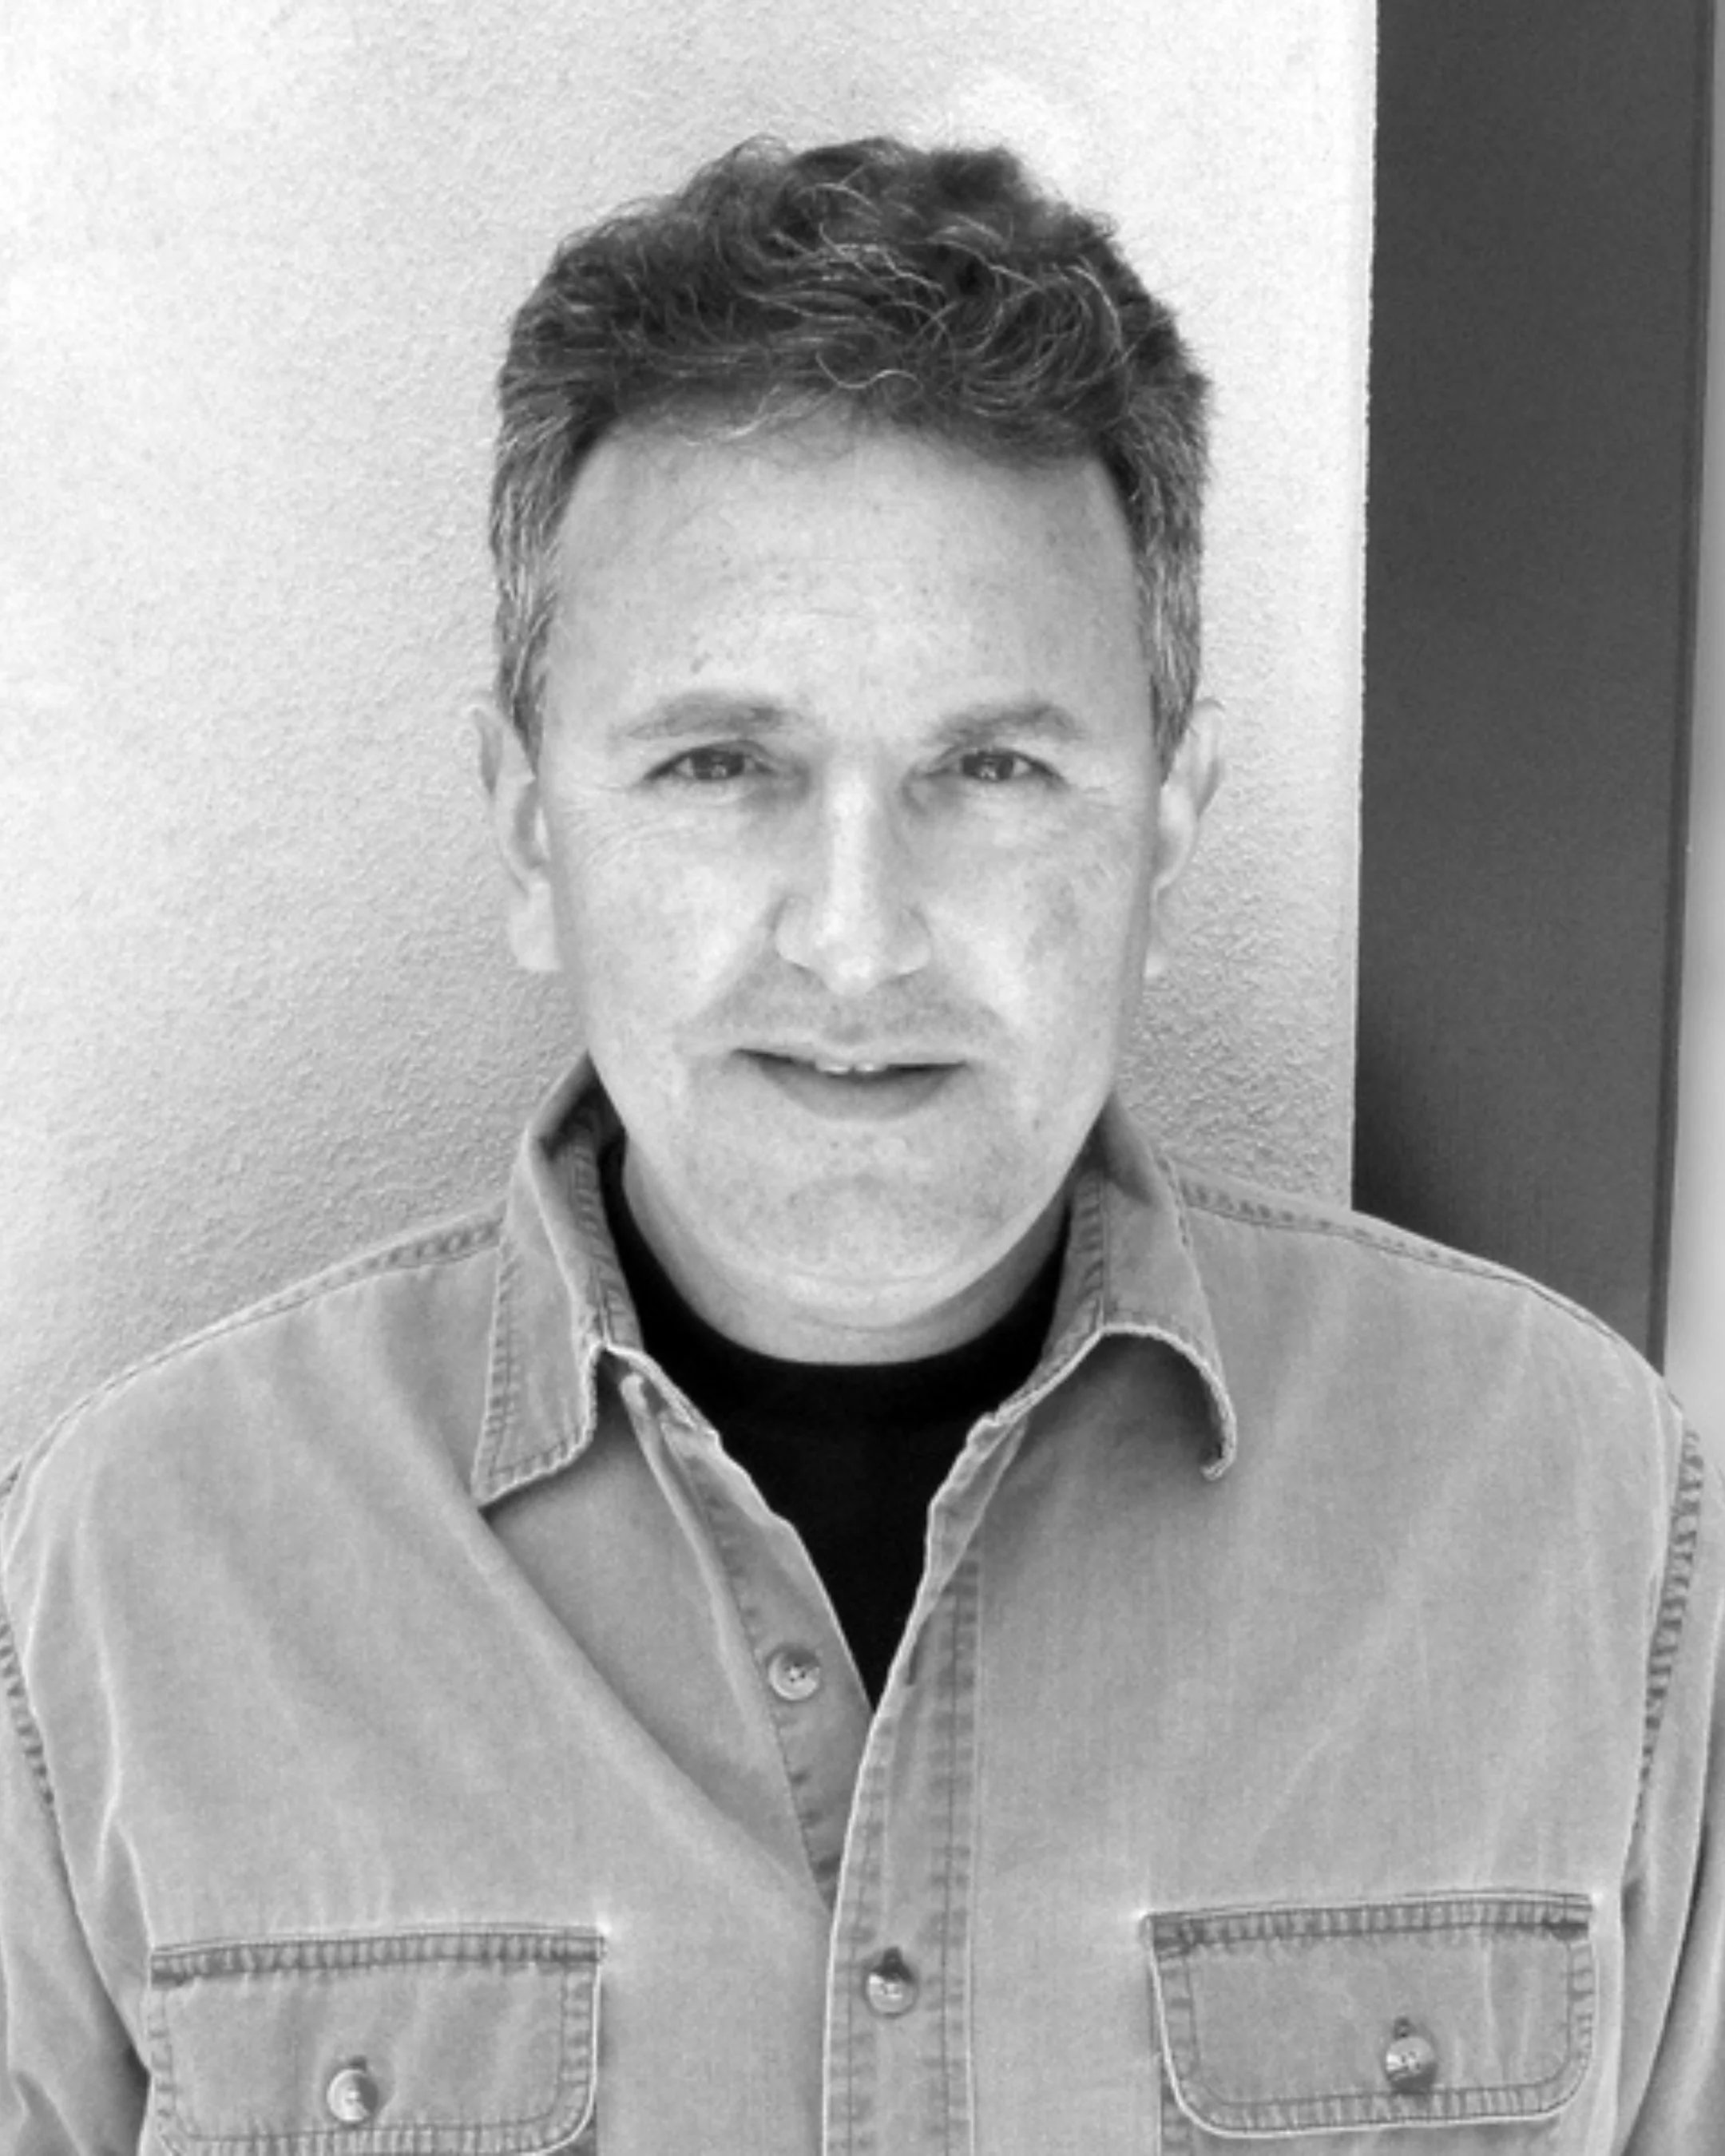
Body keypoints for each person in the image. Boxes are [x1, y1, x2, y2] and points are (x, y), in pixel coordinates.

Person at [1, 137, 1719, 2155]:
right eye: (719, 763)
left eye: (990, 766)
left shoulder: (1591, 1526)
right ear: (532, 827)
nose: (854, 936)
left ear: (1166, 828)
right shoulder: (124, 1578)